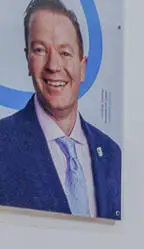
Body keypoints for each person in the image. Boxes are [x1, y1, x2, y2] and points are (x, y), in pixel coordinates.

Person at [0, 0, 121, 220]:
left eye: (65, 53)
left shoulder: (112, 155)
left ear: (82, 68)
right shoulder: (3, 144)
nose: (53, 65)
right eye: (40, 50)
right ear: (28, 60)